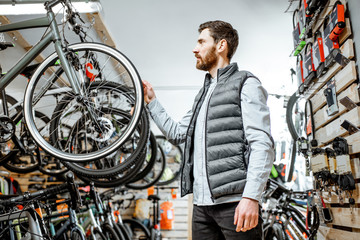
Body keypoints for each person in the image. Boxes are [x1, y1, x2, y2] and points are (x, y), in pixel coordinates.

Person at [143, 20, 274, 239]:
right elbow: (177, 133)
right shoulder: (202, 94)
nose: (195, 49)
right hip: (202, 206)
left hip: (235, 205)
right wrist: (152, 102)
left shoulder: (246, 83)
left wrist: (251, 198)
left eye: (202, 42)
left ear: (221, 45)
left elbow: (262, 144)